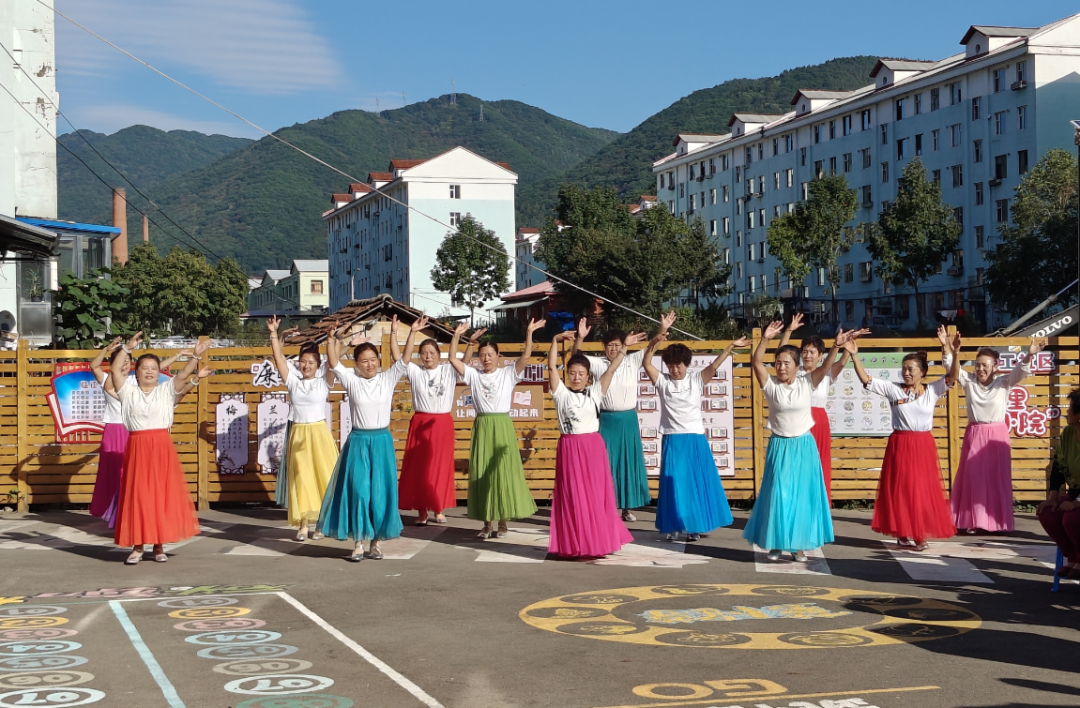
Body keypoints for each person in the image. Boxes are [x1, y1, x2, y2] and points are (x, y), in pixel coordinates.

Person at [744, 321, 852, 561]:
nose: (781, 367)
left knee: (801, 496)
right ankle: (775, 543)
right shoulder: (771, 386)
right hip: (780, 446)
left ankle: (798, 546)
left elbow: (825, 367)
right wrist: (765, 339)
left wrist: (836, 346)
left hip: (804, 446)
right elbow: (756, 362)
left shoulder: (807, 382)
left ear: (796, 365)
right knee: (778, 495)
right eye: (778, 363)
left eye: (786, 363)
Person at [844, 328, 960, 551]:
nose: (906, 373)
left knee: (922, 490)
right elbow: (866, 379)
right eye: (904, 369)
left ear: (923, 372)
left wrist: (953, 353)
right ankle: (903, 532)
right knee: (903, 489)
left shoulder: (932, 390)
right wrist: (854, 355)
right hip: (900, 444)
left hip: (923, 445)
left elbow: (952, 376)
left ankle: (919, 534)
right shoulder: (893, 389)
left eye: (911, 369)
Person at [317, 322, 418, 561]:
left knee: (379, 494)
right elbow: (333, 363)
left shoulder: (387, 378)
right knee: (359, 492)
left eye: (373, 359)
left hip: (381, 442)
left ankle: (375, 543)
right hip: (359, 442)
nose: (370, 364)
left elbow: (404, 359)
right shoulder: (352, 380)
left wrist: (410, 332)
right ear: (357, 364)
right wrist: (331, 339)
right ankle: (359, 542)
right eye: (364, 361)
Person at [642, 311, 745, 542]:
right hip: (672, 438)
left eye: (678, 365)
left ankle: (693, 526)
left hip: (695, 438)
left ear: (686, 364)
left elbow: (717, 363)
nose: (674, 369)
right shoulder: (663, 382)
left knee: (694, 484)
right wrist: (658, 336)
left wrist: (730, 346)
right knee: (673, 485)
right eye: (670, 365)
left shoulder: (696, 380)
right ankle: (673, 526)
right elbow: (646, 362)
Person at [109, 332, 212, 564]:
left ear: (159, 372)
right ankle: (137, 546)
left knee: (159, 496)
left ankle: (158, 545)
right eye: (144, 367)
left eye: (153, 367)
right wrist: (126, 349)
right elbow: (115, 371)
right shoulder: (128, 391)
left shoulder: (166, 390)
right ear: (137, 371)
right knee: (138, 496)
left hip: (161, 447)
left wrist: (195, 356)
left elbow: (184, 374)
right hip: (137, 446)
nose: (149, 371)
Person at [450, 318, 544, 538]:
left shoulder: (508, 374)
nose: (486, 359)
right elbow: (454, 359)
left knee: (502, 474)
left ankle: (502, 522)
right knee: (482, 473)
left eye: (490, 354)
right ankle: (486, 524)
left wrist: (529, 333)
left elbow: (526, 357)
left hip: (502, 426)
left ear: (498, 356)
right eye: (483, 355)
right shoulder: (474, 375)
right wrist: (458, 337)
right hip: (483, 426)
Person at [943, 333, 1045, 534]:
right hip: (975, 433)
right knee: (973, 478)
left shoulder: (1003, 382)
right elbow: (950, 368)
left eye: (985, 365)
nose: (980, 369)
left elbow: (1020, 372)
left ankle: (995, 521)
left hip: (997, 436)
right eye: (978, 364)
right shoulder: (969, 381)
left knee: (995, 479)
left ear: (995, 366)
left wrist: (1029, 355)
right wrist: (948, 348)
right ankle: (972, 520)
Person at [547, 330, 633, 558]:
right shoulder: (560, 394)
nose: (576, 377)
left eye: (581, 374)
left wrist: (624, 347)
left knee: (596, 496)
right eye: (572, 373)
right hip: (569, 448)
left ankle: (599, 541)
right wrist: (555, 341)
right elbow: (551, 366)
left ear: (588, 376)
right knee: (573, 497)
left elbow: (612, 368)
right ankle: (576, 543)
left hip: (593, 448)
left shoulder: (595, 392)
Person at [89, 338, 185, 527]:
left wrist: (178, 356)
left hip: (133, 431)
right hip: (113, 430)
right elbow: (94, 366)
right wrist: (108, 349)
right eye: (121, 360)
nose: (125, 364)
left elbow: (157, 367)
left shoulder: (134, 380)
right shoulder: (109, 380)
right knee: (114, 475)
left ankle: (132, 515)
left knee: (132, 476)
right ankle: (114, 514)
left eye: (127, 361)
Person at [778, 313, 867, 500]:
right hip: (797, 421)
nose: (807, 355)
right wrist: (788, 331)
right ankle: (793, 499)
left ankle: (816, 500)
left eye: (812, 352)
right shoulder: (794, 372)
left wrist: (848, 344)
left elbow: (842, 362)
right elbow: (782, 352)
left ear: (820, 356)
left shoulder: (826, 373)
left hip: (818, 423)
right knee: (795, 464)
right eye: (805, 351)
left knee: (817, 463)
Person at [397, 320, 478, 525]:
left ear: (439, 354)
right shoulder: (415, 372)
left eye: (432, 352)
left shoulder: (447, 370)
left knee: (440, 467)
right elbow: (398, 357)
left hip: (442, 423)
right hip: (420, 422)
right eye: (424, 352)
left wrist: (464, 342)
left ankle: (438, 508)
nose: (428, 356)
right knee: (420, 468)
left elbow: (464, 364)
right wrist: (411, 333)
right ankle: (422, 511)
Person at [571, 319, 652, 521]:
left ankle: (627, 508)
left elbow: (652, 347)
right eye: (610, 345)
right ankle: (605, 506)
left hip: (628, 420)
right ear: (604, 348)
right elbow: (577, 358)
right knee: (606, 464)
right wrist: (580, 338)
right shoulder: (599, 364)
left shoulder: (632, 360)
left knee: (627, 463)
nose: (613, 349)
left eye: (617, 344)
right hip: (606, 419)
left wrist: (661, 331)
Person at [267, 315, 338, 542]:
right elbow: (278, 357)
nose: (305, 365)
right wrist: (274, 334)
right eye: (302, 361)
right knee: (302, 479)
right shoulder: (293, 381)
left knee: (324, 479)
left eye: (310, 362)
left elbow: (333, 360)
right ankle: (304, 525)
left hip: (319, 434)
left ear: (318, 365)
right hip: (298, 433)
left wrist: (331, 339)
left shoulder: (324, 380)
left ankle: (322, 524)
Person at [1037, 388, 1080, 579]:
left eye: (1071, 408)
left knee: (1071, 519)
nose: (1067, 412)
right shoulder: (1069, 433)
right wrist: (1053, 497)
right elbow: (1058, 467)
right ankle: (1072, 558)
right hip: (1075, 493)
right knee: (1048, 513)